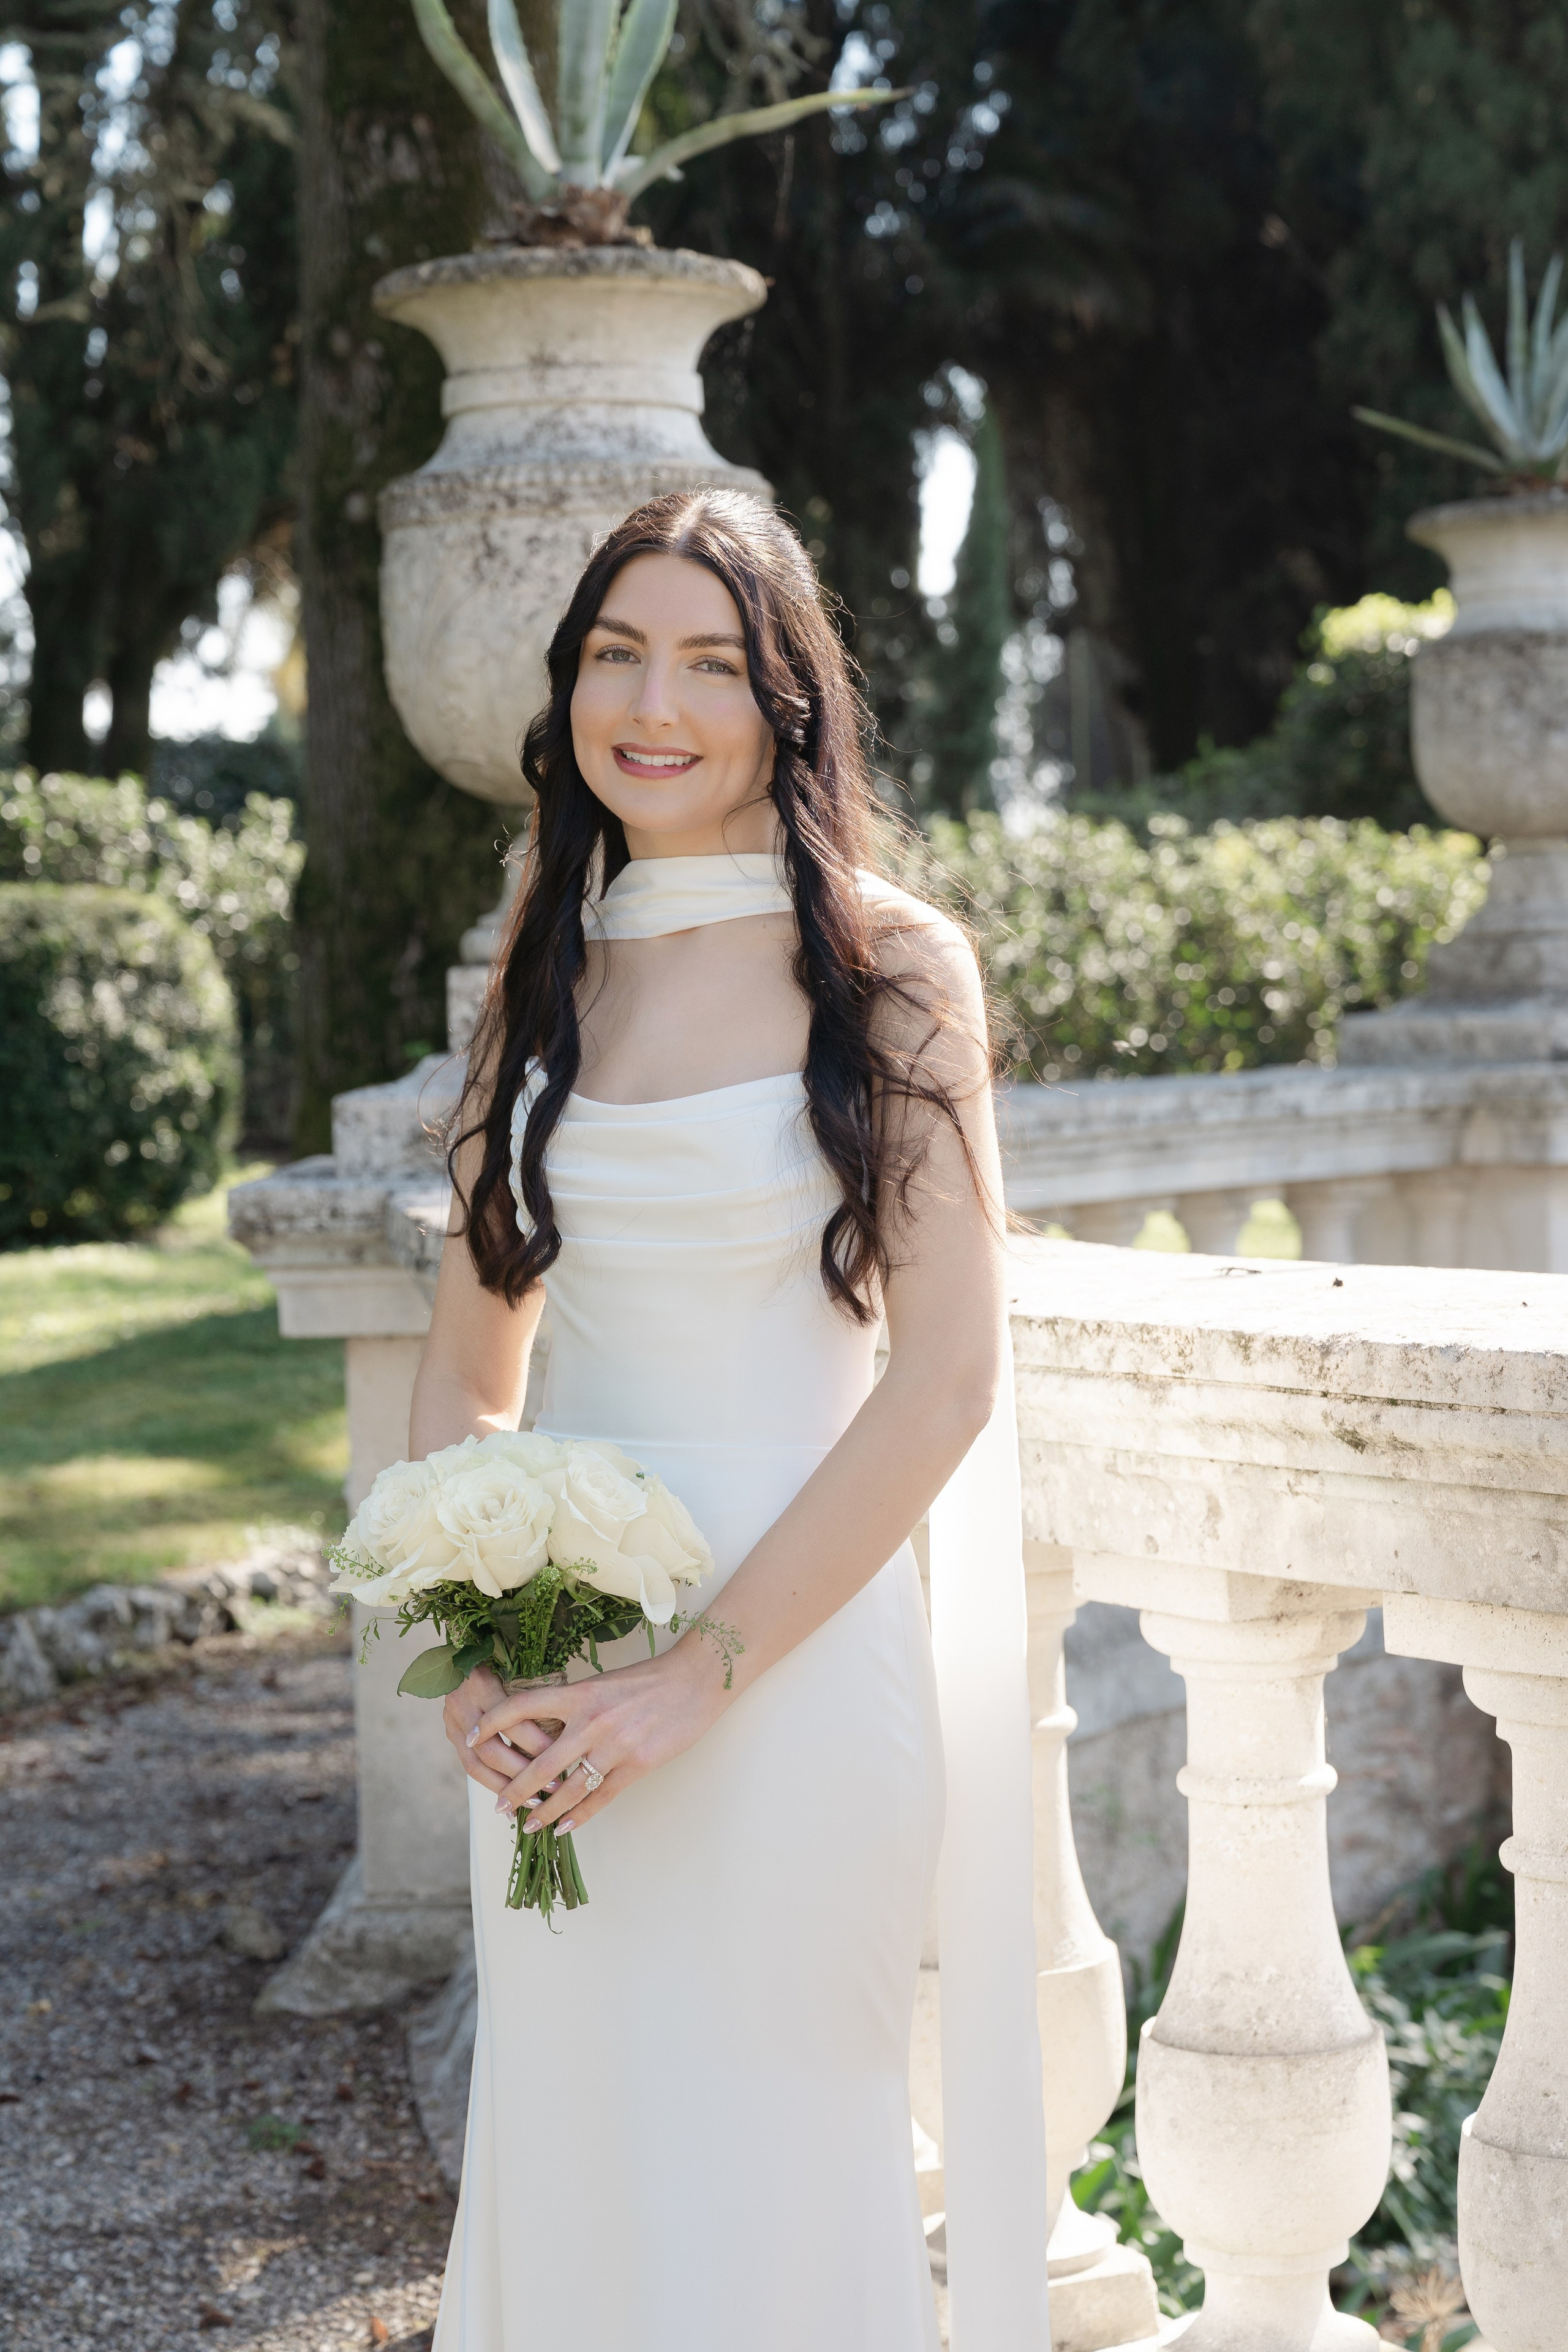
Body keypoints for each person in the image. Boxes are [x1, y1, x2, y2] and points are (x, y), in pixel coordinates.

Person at [414, 489, 1048, 2351]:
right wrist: (471, 1658)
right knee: (583, 2162)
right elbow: (470, 1367)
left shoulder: (893, 966)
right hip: (554, 1696)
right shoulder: (543, 970)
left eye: (708, 659)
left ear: (789, 701)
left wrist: (694, 1676)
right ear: (571, 690)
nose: (653, 701)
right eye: (617, 653)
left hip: (789, 1686)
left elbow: (944, 1381)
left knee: (776, 2175)